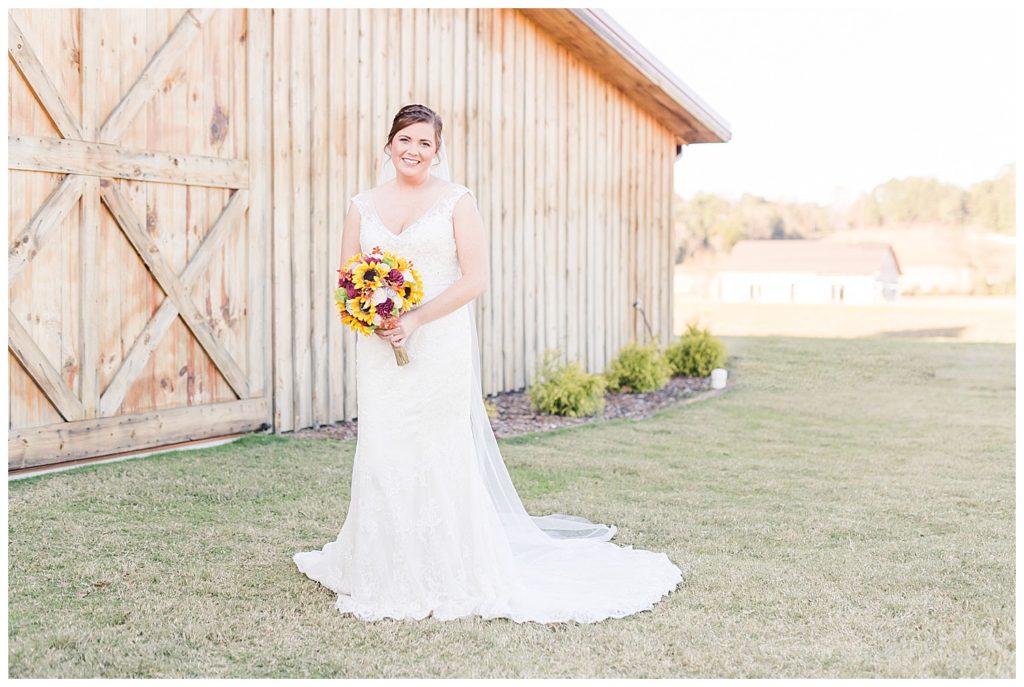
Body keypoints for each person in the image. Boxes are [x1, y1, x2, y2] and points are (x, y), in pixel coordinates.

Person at [293, 104, 684, 623]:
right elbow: (347, 277)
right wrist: (373, 314)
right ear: (388, 145)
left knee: (438, 447)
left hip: (440, 343)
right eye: (404, 140)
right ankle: (383, 566)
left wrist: (415, 318)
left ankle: (450, 566)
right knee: (385, 447)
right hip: (380, 349)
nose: (413, 150)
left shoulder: (456, 200)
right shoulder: (361, 206)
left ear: (438, 152)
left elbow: (475, 278)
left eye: (425, 143)